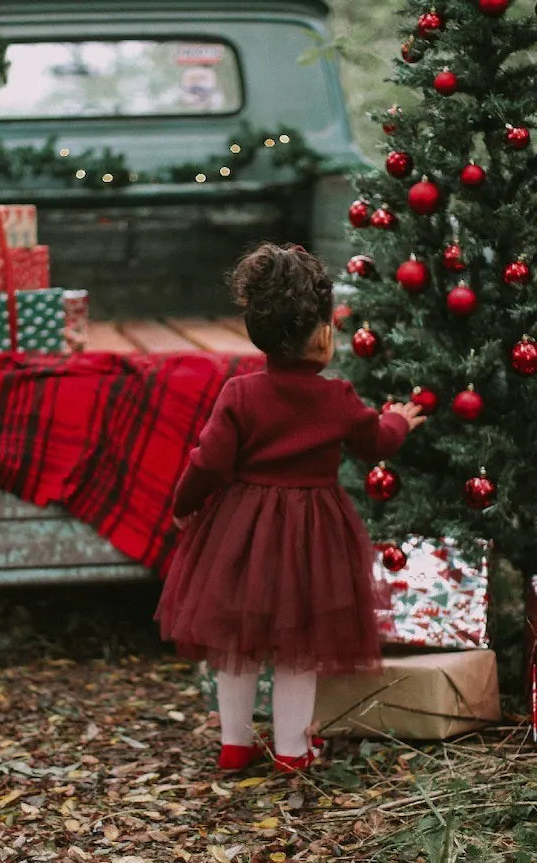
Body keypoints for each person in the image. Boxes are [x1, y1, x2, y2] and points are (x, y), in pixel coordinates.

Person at [155, 242, 425, 772]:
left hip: (243, 531)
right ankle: (293, 751)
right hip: (312, 535)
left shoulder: (240, 393)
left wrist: (184, 504)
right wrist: (398, 419)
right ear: (322, 333)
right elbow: (376, 442)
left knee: (238, 644)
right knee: (299, 648)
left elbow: (208, 462)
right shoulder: (337, 397)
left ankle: (235, 743)